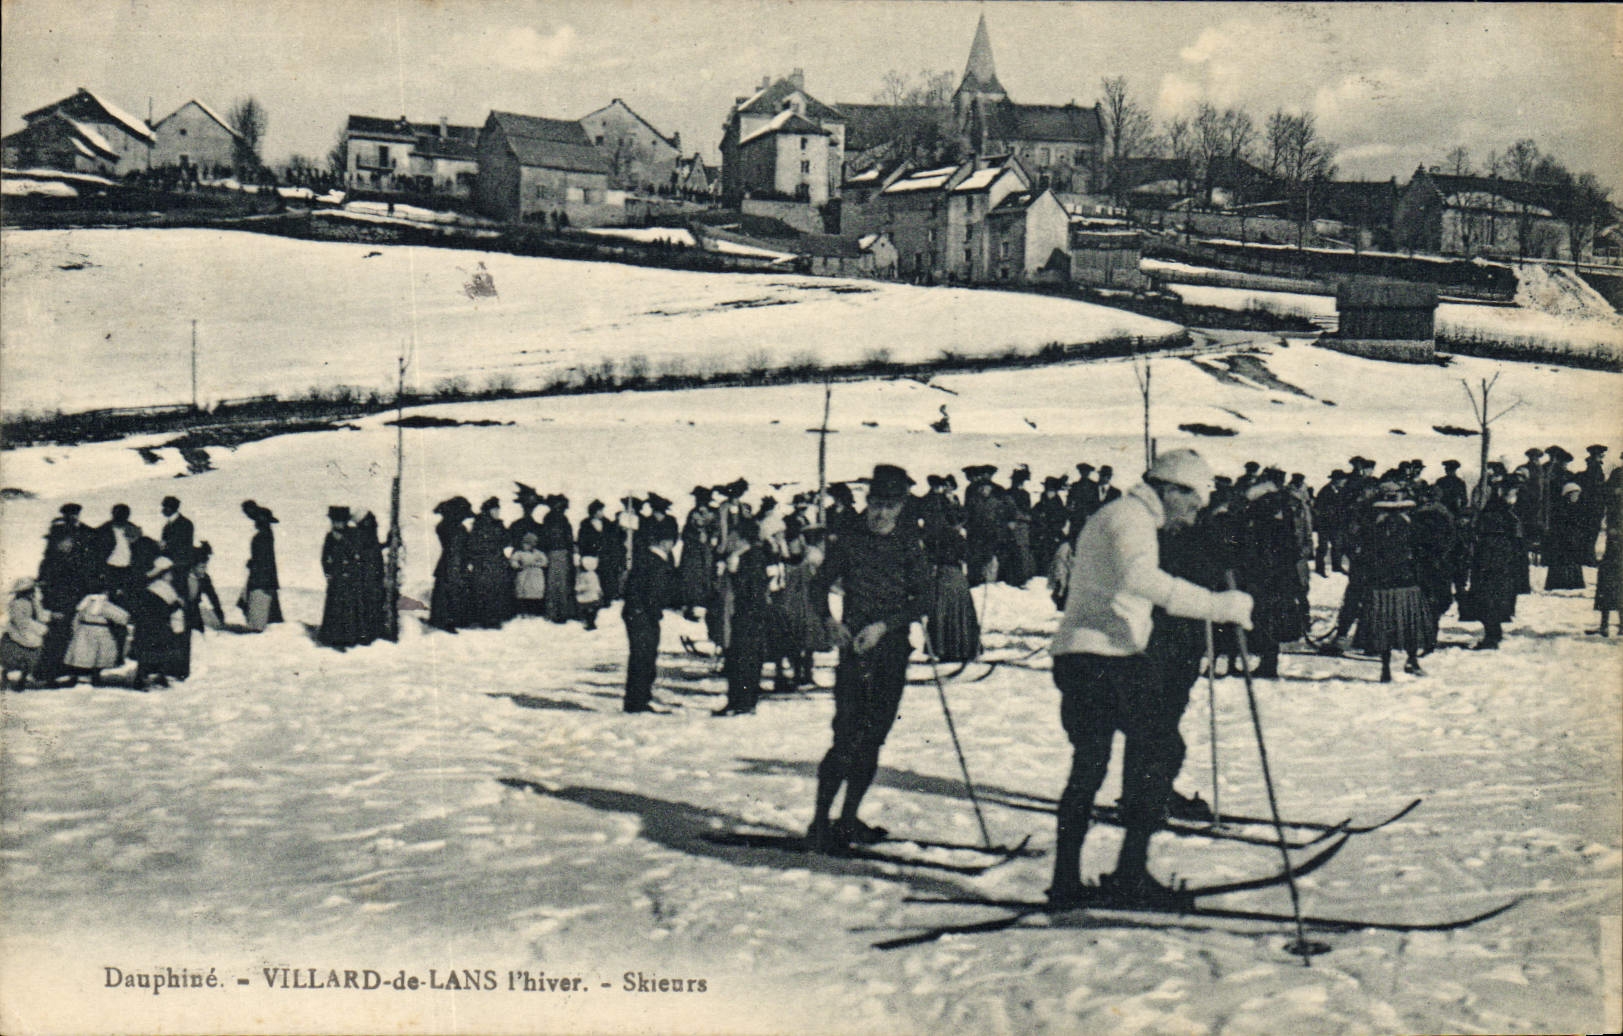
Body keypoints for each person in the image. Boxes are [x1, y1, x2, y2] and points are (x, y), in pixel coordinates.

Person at [1046, 450, 1253, 907]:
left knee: (1092, 766)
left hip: (1088, 655)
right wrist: (1219, 606)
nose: (1192, 515)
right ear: (1173, 489)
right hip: (1105, 658)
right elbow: (1142, 578)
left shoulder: (1120, 515)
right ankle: (1129, 875)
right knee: (1160, 749)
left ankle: (1067, 880)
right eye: (1193, 504)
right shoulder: (1131, 517)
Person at [806, 463, 932, 853]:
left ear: (901, 506)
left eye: (889, 506)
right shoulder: (849, 540)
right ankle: (820, 823)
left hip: (891, 652)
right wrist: (829, 620)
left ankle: (847, 820)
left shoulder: (911, 543)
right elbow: (818, 585)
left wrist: (885, 625)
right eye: (875, 503)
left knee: (874, 738)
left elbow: (924, 598)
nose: (880, 513)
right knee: (845, 738)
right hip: (854, 653)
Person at [1352, 485, 1432, 681]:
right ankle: (1412, 660)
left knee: (1383, 627)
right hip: (1406, 584)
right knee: (1410, 625)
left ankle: (1386, 669)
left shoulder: (1373, 529)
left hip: (1381, 586)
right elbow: (1423, 553)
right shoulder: (1412, 527)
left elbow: (1364, 557)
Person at [1459, 472, 1526, 650]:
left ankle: (1494, 633)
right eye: (1512, 491)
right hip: (1491, 558)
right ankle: (1492, 634)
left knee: (1497, 597)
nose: (1515, 495)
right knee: (1489, 597)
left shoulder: (1506, 509)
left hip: (1502, 559)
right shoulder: (1495, 509)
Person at [621, 522, 681, 713]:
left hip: (636, 613)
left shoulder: (645, 557)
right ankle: (637, 701)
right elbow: (654, 593)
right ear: (667, 543)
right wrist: (657, 612)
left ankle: (638, 698)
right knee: (644, 656)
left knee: (641, 655)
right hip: (643, 614)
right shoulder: (657, 561)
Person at [717, 517, 771, 716]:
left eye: (733, 534)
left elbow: (753, 590)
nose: (729, 538)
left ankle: (745, 703)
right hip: (741, 615)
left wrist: (734, 574)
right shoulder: (740, 556)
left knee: (747, 659)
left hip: (750, 617)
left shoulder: (753, 556)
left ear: (741, 537)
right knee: (736, 658)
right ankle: (735, 701)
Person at [129, 557, 189, 688]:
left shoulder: (151, 589)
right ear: (163, 574)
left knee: (150, 653)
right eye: (169, 573)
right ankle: (147, 678)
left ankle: (148, 677)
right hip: (157, 626)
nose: (171, 576)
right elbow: (163, 610)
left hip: (146, 627)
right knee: (158, 652)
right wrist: (177, 605)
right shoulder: (161, 590)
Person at [318, 507, 369, 649]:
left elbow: (357, 554)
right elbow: (324, 557)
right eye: (334, 521)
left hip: (351, 579)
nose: (336, 524)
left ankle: (350, 638)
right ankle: (332, 637)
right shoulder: (330, 536)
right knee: (334, 608)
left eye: (339, 521)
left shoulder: (354, 534)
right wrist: (328, 572)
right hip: (336, 578)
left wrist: (343, 541)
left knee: (349, 609)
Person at [64, 584, 131, 685]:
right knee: (98, 655)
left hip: (83, 630)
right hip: (100, 631)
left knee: (82, 654)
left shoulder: (84, 603)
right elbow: (122, 617)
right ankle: (93, 677)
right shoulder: (103, 604)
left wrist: (75, 631)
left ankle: (80, 676)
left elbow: (76, 619)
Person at [466, 496, 514, 628]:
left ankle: (495, 618)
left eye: (498, 510)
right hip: (484, 563)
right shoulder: (480, 524)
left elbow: (507, 539)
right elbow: (473, 544)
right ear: (488, 511)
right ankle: (486, 619)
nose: (497, 513)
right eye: (494, 510)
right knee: (486, 590)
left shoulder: (498, 524)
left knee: (497, 590)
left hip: (497, 562)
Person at [428, 497, 472, 632]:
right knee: (449, 591)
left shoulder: (451, 526)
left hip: (453, 561)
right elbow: (456, 546)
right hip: (452, 562)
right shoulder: (450, 527)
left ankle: (448, 618)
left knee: (448, 590)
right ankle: (446, 620)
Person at [239, 501, 283, 632]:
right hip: (264, 576)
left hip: (261, 577)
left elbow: (263, 558)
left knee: (259, 604)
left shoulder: (263, 536)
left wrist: (254, 563)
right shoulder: (266, 534)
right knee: (266, 606)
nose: (255, 522)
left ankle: (259, 628)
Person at [2, 578, 53, 689]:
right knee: (16, 658)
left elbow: (40, 615)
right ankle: (9, 677)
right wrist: (41, 628)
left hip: (32, 634)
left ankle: (24, 678)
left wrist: (50, 616)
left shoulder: (34, 602)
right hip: (19, 634)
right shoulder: (17, 604)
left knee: (30, 659)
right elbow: (21, 621)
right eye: (31, 590)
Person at [1591, 467, 1623, 636]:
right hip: (1614, 538)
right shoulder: (1617, 474)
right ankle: (1604, 624)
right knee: (1608, 579)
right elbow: (1603, 496)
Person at [539, 495, 577, 624]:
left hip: (558, 553)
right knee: (559, 584)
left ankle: (558, 611)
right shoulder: (556, 518)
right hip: (558, 553)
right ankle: (558, 612)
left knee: (558, 583)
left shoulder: (552, 518)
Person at [1544, 482, 1588, 591]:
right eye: (1574, 494)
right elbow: (1558, 525)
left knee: (1573, 561)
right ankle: (1560, 583)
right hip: (1562, 540)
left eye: (1577, 494)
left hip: (1572, 539)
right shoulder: (1560, 508)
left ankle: (1574, 583)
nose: (1576, 497)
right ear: (1568, 495)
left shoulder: (1577, 508)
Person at [186, 542, 226, 632]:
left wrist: (219, 612)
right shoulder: (183, 577)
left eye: (205, 567)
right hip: (186, 610)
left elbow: (212, 596)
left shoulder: (204, 578)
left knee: (216, 625)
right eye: (202, 567)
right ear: (192, 567)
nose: (204, 570)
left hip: (195, 608)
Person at [159, 495, 196, 593]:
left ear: (171, 508)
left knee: (181, 590)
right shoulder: (168, 525)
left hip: (181, 562)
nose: (163, 510)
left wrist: (165, 546)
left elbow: (181, 544)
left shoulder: (185, 523)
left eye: (165, 507)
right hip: (172, 561)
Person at [510, 532, 549, 615]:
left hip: (535, 574)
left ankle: (535, 610)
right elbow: (513, 560)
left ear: (532, 545)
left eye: (527, 544)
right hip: (524, 573)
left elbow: (545, 562)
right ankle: (523, 610)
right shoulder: (519, 553)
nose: (525, 546)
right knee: (523, 590)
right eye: (524, 544)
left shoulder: (538, 553)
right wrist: (517, 566)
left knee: (535, 591)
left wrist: (537, 564)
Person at [575, 555, 603, 631]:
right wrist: (599, 592)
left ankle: (589, 624)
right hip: (593, 597)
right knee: (592, 612)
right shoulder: (594, 575)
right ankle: (591, 623)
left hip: (586, 597)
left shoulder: (584, 575)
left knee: (586, 612)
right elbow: (597, 585)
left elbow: (584, 586)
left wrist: (578, 589)